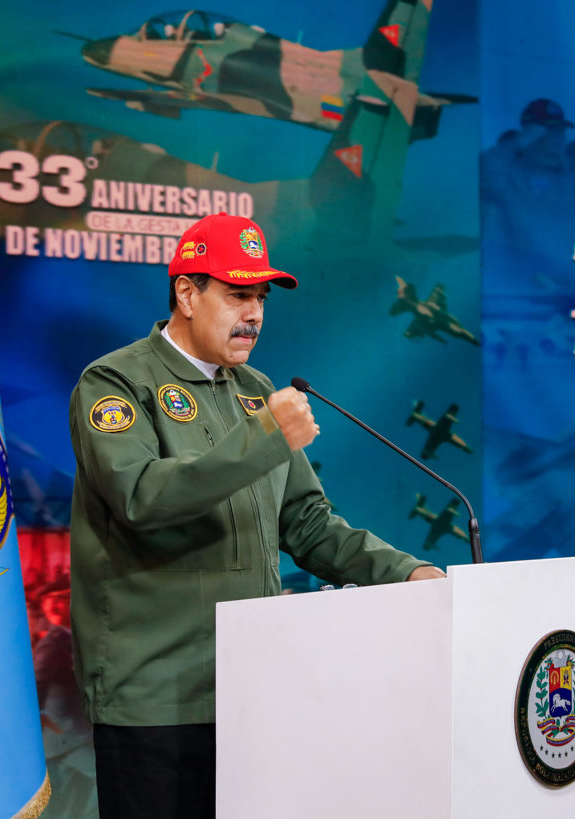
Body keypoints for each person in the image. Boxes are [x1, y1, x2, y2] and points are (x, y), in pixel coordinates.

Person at [68, 213, 444, 818]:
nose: (254, 314)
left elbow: (308, 524)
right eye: (237, 294)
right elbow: (141, 496)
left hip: (252, 690)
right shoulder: (114, 382)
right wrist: (267, 436)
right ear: (187, 294)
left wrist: (406, 573)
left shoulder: (254, 390)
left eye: (262, 298)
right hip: (156, 700)